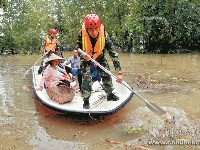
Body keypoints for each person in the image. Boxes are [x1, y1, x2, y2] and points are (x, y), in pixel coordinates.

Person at [77, 13, 122, 109]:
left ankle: (109, 94)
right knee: (86, 77)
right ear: (87, 29)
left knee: (106, 73)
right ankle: (86, 100)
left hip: (99, 55)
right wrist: (82, 54)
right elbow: (77, 48)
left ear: (99, 27)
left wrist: (119, 72)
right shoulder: (81, 34)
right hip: (86, 57)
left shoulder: (105, 35)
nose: (94, 32)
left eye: (96, 29)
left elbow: (113, 53)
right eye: (91, 30)